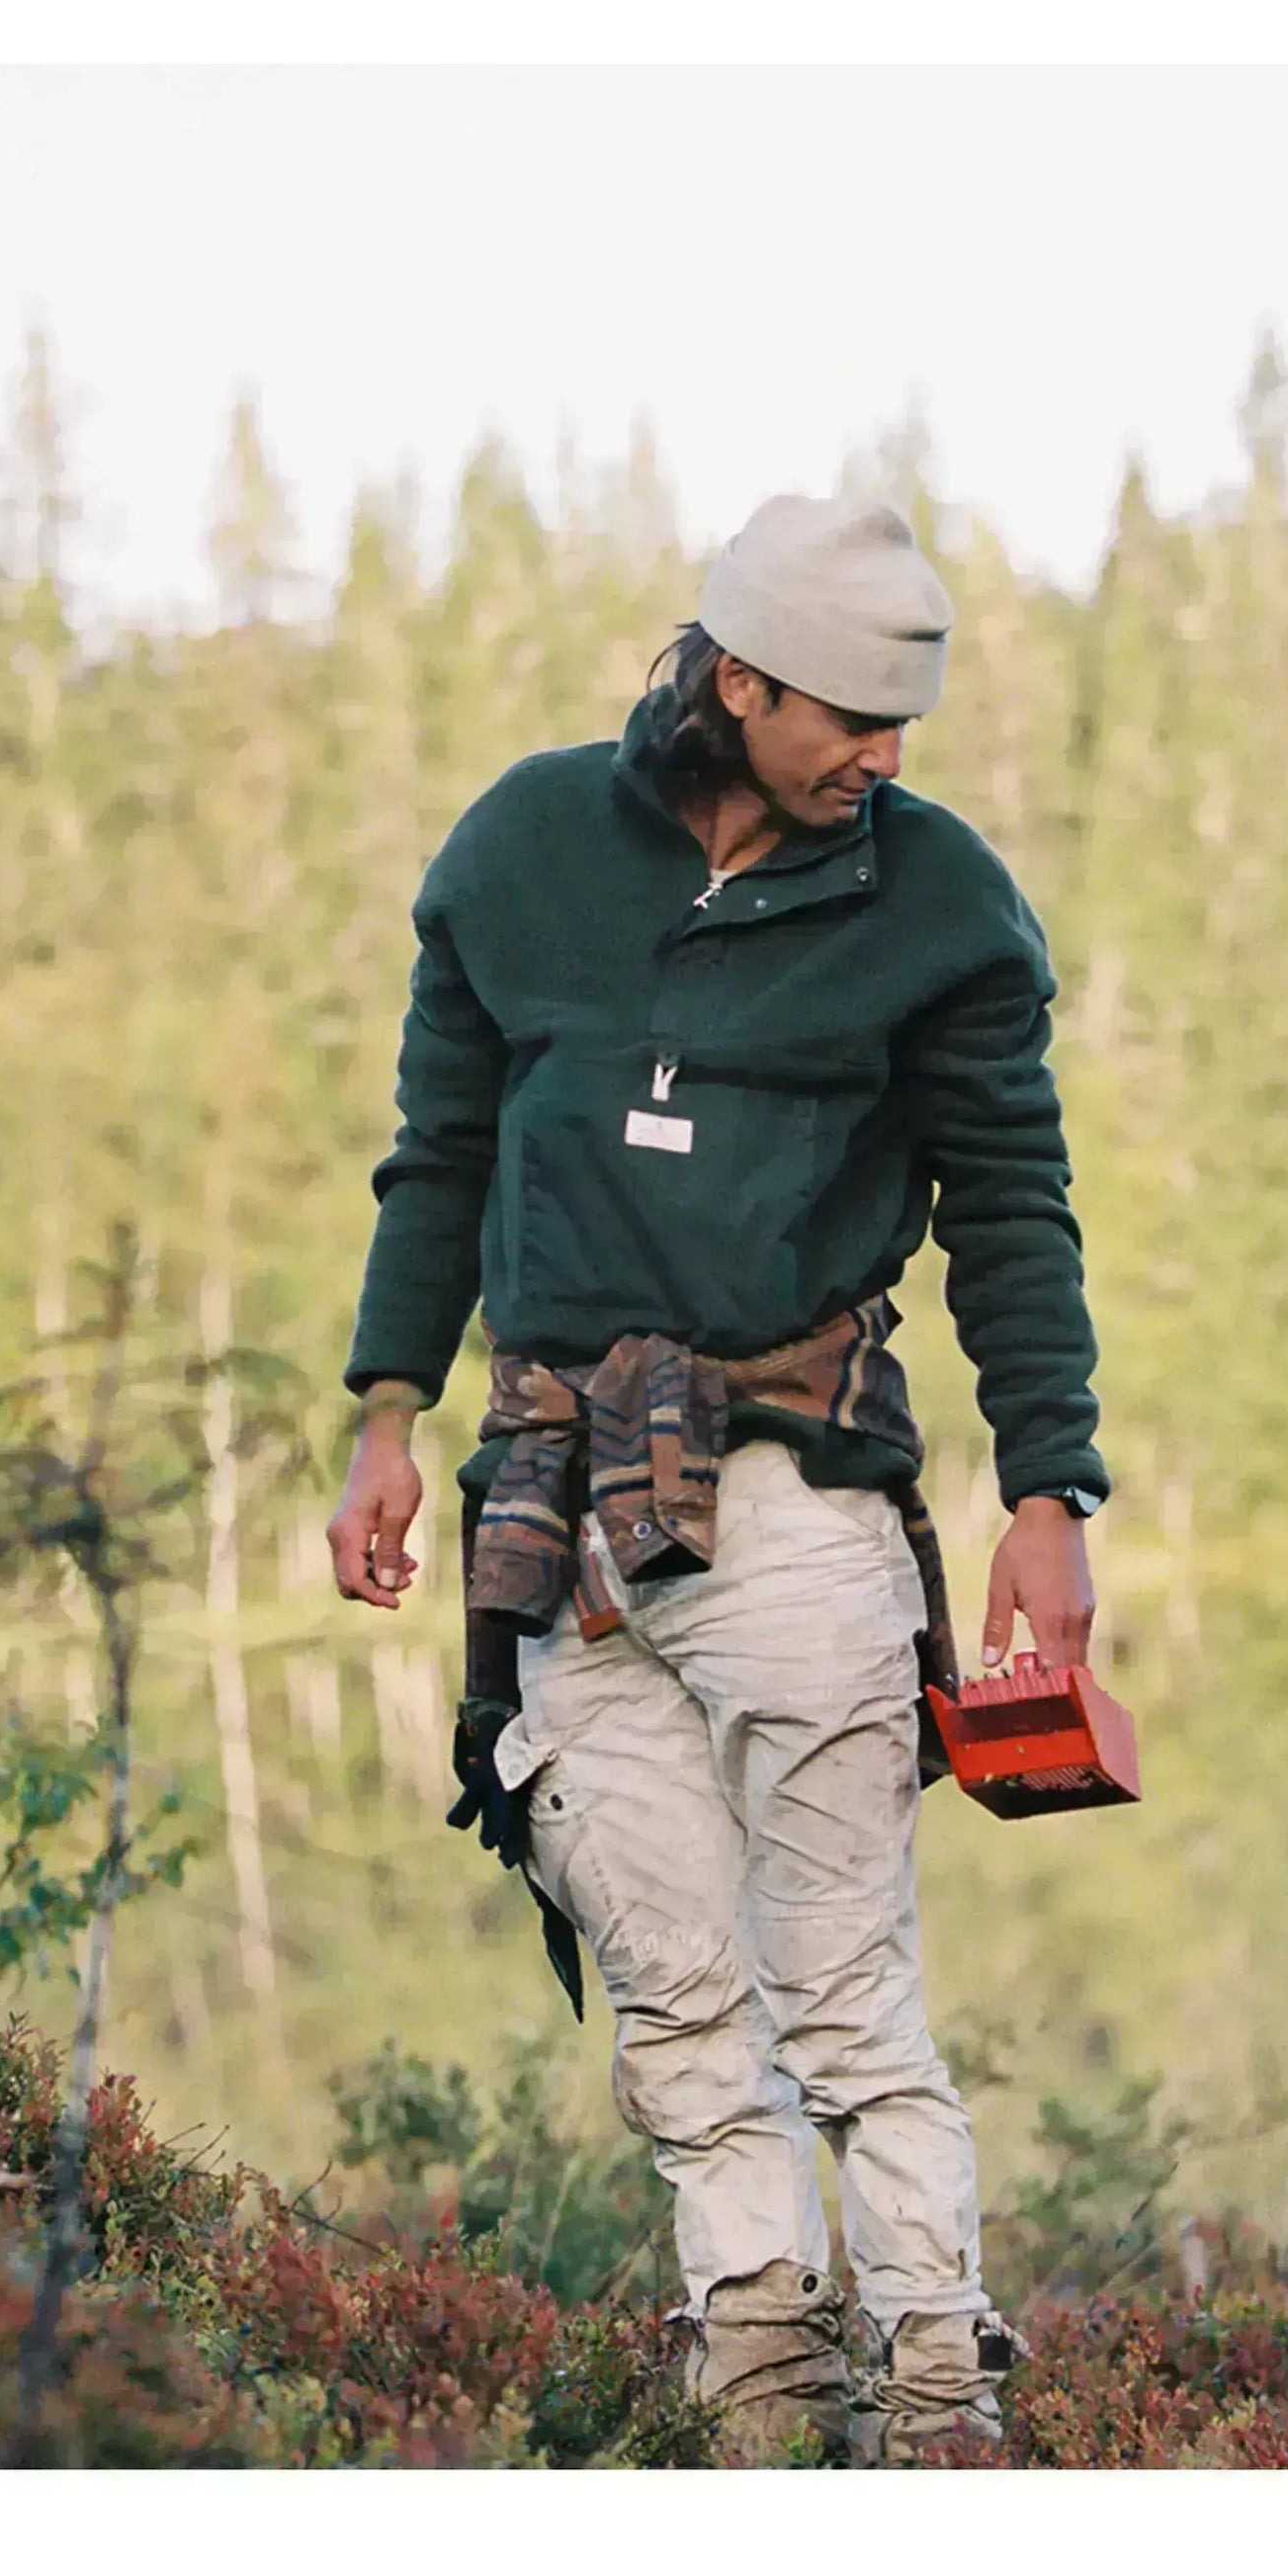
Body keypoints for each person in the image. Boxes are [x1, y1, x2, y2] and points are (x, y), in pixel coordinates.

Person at [328, 493, 1107, 2462]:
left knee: (840, 1990)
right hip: (555, 1518)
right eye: (853, 716)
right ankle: (763, 2398)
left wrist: (1048, 1493)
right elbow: (439, 1153)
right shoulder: (519, 852)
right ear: (737, 679)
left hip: (798, 1511)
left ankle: (936, 2397)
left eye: (907, 721)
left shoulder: (939, 903)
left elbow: (1012, 1207)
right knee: (675, 1988)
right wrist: (385, 1414)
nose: (886, 757)